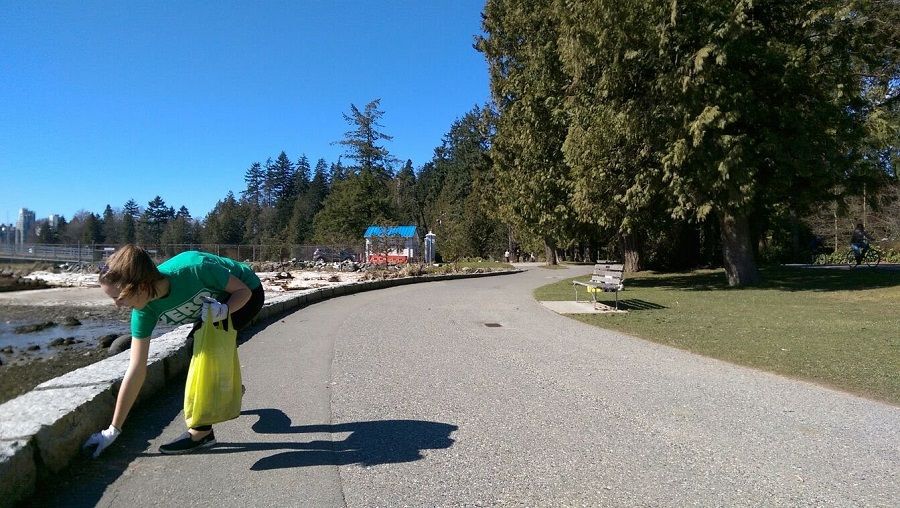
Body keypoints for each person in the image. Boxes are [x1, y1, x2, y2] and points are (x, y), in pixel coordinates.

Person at [83, 245, 264, 457]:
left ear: (140, 286)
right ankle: (229, 390)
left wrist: (224, 310)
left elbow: (244, 291)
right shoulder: (144, 312)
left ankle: (201, 433)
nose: (117, 305)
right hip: (216, 306)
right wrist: (113, 430)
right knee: (199, 346)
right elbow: (136, 368)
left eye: (119, 297)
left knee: (199, 350)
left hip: (246, 294)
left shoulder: (195, 268)